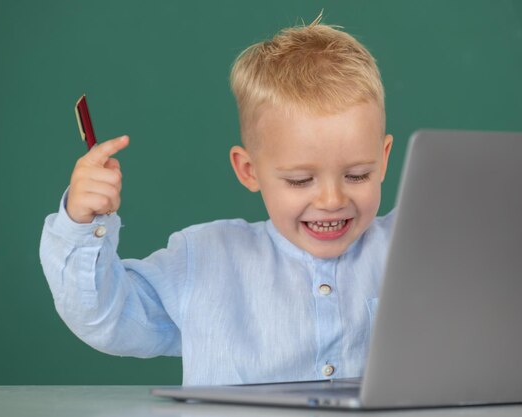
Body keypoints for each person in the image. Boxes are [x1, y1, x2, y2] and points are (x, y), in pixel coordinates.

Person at [40, 14, 394, 386]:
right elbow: (104, 318)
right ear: (249, 170)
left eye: (357, 175)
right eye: (300, 180)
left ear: (384, 159)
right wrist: (81, 224)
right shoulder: (205, 261)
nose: (332, 199)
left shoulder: (414, 249)